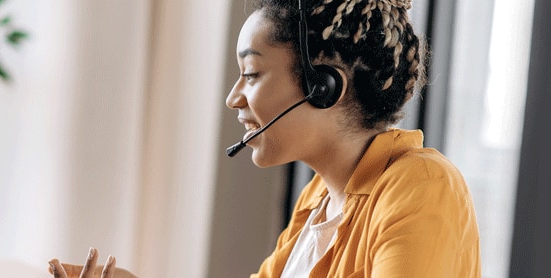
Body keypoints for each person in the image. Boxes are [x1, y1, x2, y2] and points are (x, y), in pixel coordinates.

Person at [50, 0, 481, 277]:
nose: (233, 97)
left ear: (325, 85)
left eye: (252, 74)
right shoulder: (318, 200)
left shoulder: (421, 185)